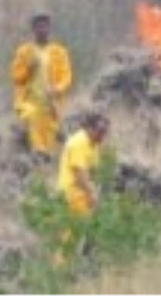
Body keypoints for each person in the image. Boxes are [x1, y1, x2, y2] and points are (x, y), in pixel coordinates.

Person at [10, 13, 73, 158]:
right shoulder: (24, 52)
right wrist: (28, 70)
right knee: (32, 116)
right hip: (29, 101)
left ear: (49, 28)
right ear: (33, 29)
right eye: (38, 26)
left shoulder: (59, 52)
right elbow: (16, 78)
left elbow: (67, 77)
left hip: (52, 104)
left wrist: (57, 89)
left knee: (51, 136)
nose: (42, 29)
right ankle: (38, 152)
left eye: (45, 26)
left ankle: (45, 162)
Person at [57, 111, 110, 218]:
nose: (102, 136)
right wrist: (93, 195)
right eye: (100, 131)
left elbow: (92, 170)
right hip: (71, 193)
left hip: (82, 193)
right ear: (89, 128)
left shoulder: (93, 144)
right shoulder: (78, 143)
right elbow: (80, 174)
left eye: (105, 132)